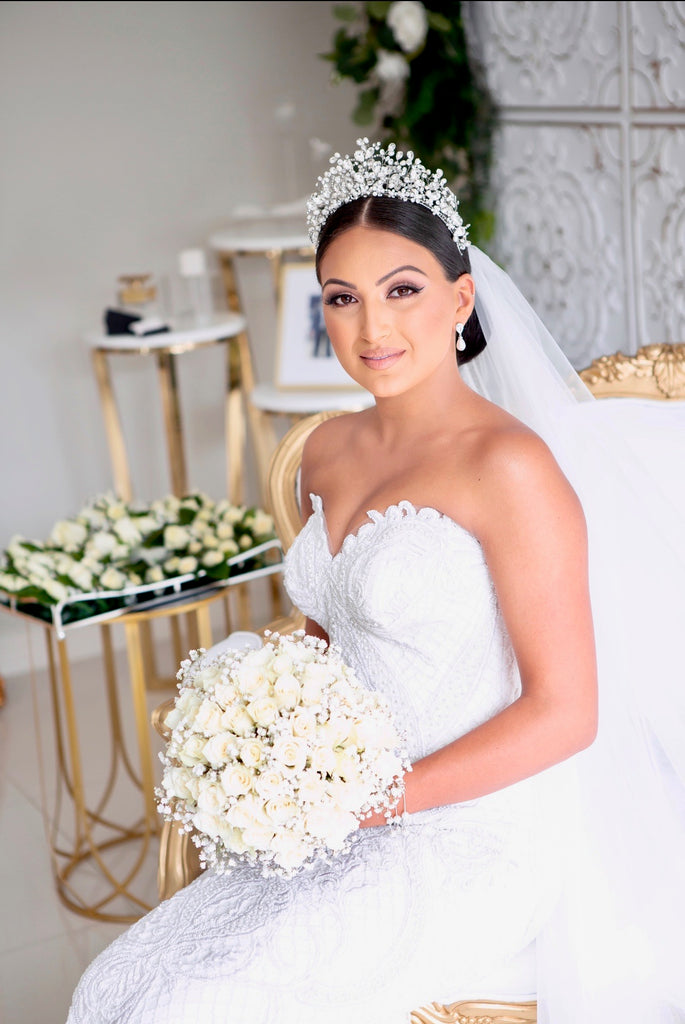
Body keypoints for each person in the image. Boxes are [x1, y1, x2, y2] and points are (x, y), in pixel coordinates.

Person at [67, 140, 685, 1024]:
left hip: (474, 829)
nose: (371, 330)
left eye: (402, 290)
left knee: (193, 1004)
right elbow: (327, 645)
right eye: (342, 300)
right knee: (115, 990)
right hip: (338, 808)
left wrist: (377, 801)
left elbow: (566, 711)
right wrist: (270, 752)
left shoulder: (508, 467)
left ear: (460, 298)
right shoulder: (327, 448)